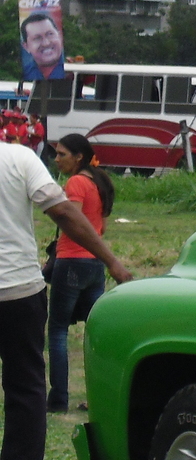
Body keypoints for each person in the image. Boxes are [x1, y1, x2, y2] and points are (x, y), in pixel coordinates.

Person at [0, 139, 131, 460]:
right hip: (16, 290)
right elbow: (63, 213)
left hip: (20, 287)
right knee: (25, 386)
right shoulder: (18, 158)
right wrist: (112, 262)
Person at [46, 133, 115, 412]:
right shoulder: (100, 181)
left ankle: (59, 399)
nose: (57, 159)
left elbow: (71, 220)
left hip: (72, 261)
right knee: (94, 331)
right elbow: (103, 227)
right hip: (95, 264)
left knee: (58, 331)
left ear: (78, 157)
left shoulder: (76, 182)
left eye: (62, 154)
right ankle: (99, 396)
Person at [20, 11, 64, 81]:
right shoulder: (22, 74)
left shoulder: (72, 71)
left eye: (50, 34)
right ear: (26, 47)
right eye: (37, 38)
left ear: (60, 36)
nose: (46, 43)